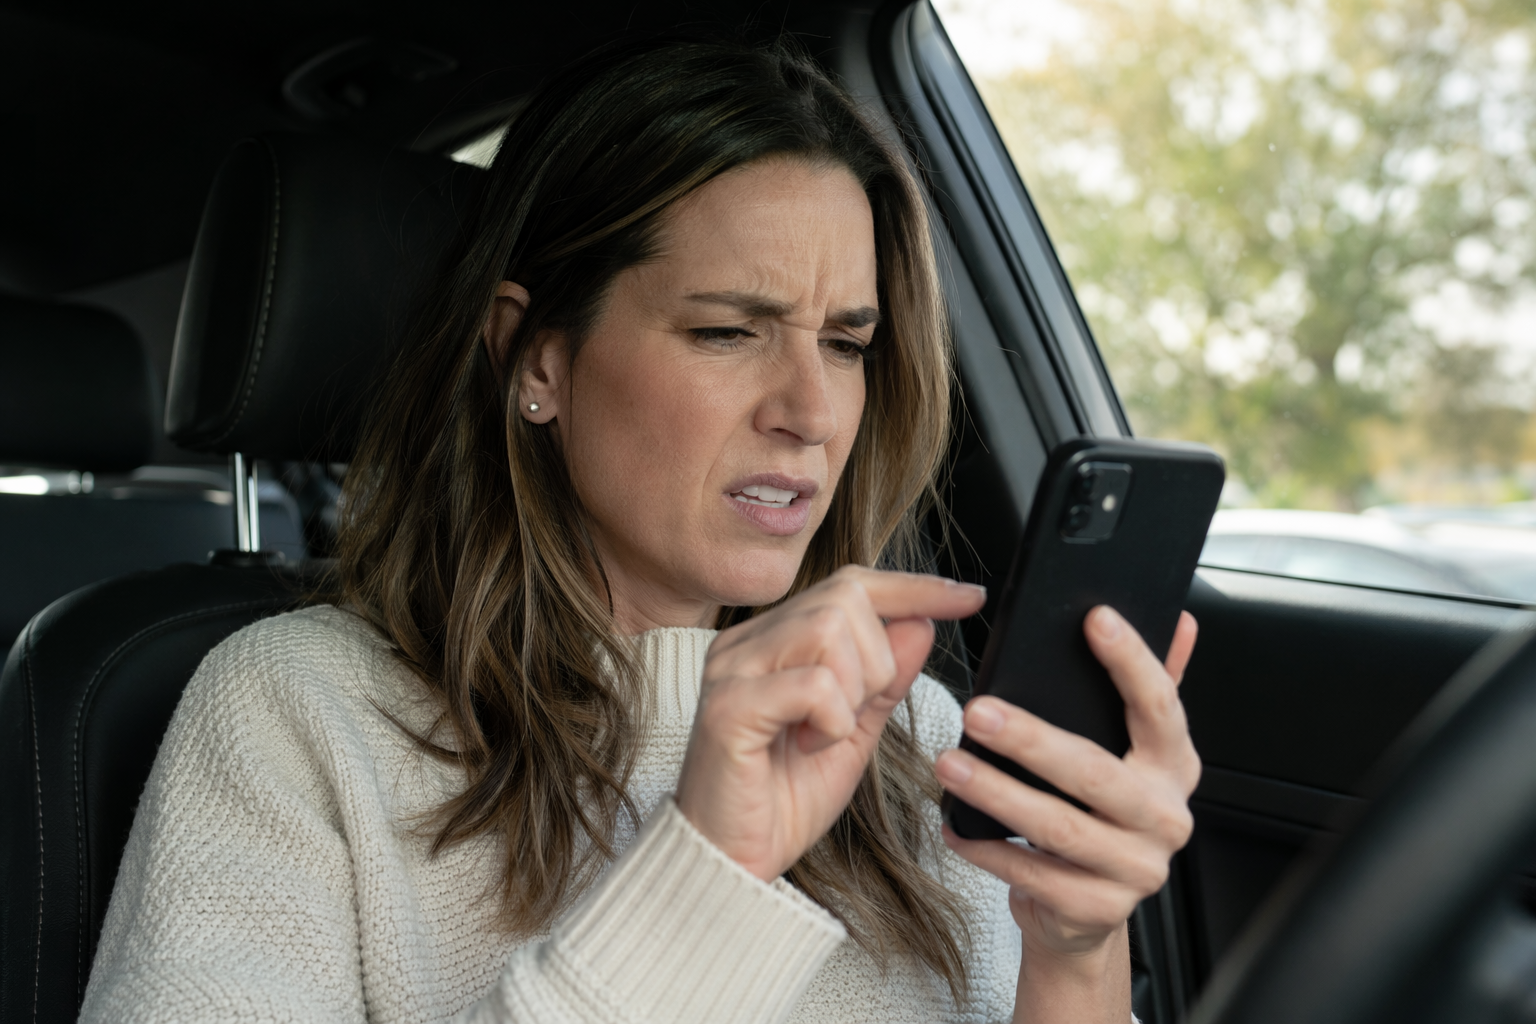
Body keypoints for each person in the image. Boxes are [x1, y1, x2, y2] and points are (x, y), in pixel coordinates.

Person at [82, 36, 1200, 1024]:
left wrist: (1072, 947)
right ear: (539, 358)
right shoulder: (295, 717)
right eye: (726, 331)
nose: (811, 414)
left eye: (849, 344)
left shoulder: (907, 728)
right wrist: (706, 869)